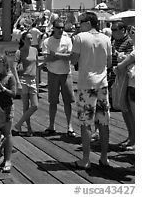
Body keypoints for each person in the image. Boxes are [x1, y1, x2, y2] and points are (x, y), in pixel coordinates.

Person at [71, 11, 112, 169]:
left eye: (81, 21)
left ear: (88, 23)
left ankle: (86, 159)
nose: (79, 24)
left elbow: (73, 60)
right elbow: (109, 64)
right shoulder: (106, 39)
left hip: (86, 84)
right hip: (102, 84)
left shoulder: (80, 38)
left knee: (86, 123)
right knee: (103, 122)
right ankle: (104, 157)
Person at [42, 19, 75, 136]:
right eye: (58, 28)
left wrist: (55, 55)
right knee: (53, 101)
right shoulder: (47, 41)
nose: (61, 30)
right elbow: (46, 59)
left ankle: (69, 126)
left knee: (68, 101)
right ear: (54, 28)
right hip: (52, 73)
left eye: (62, 28)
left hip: (66, 73)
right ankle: (51, 125)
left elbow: (70, 57)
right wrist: (62, 56)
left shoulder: (68, 40)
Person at [109, 20, 134, 146]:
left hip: (125, 77)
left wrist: (121, 56)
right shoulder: (114, 41)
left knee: (127, 108)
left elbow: (131, 58)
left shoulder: (129, 42)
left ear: (123, 30)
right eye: (111, 30)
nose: (112, 32)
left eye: (114, 30)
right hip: (116, 77)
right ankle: (130, 136)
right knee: (123, 108)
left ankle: (133, 137)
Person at [12, 31, 39, 136]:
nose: (30, 40)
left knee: (35, 105)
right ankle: (29, 129)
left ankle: (18, 124)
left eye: (31, 38)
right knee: (26, 106)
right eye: (28, 39)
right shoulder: (19, 52)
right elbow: (13, 67)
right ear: (23, 40)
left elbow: (37, 64)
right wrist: (18, 81)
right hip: (23, 79)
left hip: (32, 79)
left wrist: (47, 62)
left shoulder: (35, 50)